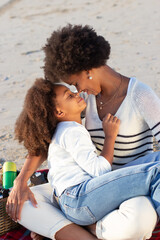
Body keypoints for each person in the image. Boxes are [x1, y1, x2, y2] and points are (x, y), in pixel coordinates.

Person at [7, 24, 160, 240]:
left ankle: (77, 227)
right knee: (22, 203)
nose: (77, 91)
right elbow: (45, 141)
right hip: (90, 188)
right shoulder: (82, 102)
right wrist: (20, 180)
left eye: (75, 83)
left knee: (139, 219)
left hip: (131, 188)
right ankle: (84, 227)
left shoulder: (140, 95)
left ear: (88, 69)